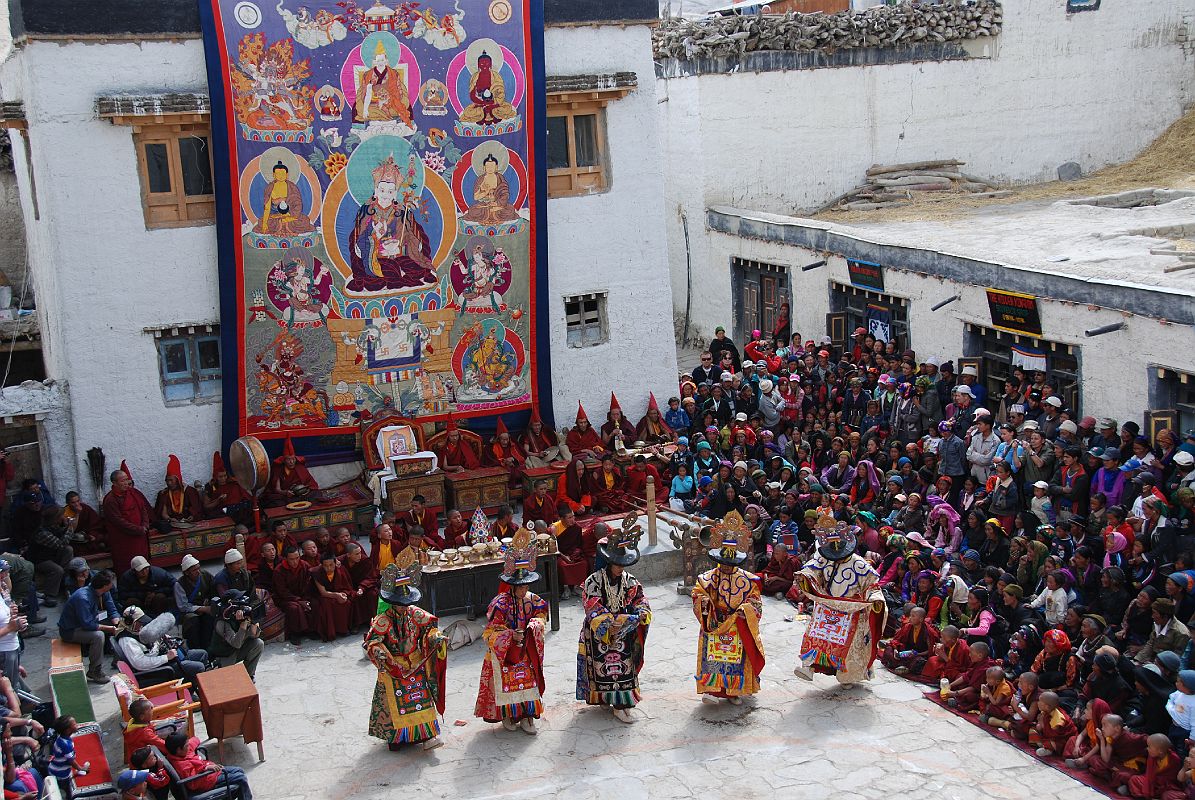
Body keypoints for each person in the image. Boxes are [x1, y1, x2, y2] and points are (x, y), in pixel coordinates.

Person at [363, 550, 447, 751]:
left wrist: (436, 638)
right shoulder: (383, 620)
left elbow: (430, 629)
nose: (404, 608)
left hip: (415, 664)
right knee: (394, 701)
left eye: (407, 604)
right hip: (393, 666)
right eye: (400, 605)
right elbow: (372, 642)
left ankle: (428, 735)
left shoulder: (415, 614)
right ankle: (397, 737)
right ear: (392, 602)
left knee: (420, 699)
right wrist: (382, 654)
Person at [794, 513, 886, 685]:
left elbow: (872, 585)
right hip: (826, 605)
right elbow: (812, 568)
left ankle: (848, 675)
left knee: (848, 646)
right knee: (815, 638)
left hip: (850, 609)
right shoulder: (824, 556)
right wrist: (806, 576)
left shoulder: (859, 564)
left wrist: (876, 599)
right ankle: (809, 667)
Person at [475, 527, 548, 735]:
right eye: (521, 587)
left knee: (529, 682)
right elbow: (490, 632)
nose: (524, 590)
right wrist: (510, 635)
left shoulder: (533, 600)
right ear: (512, 586)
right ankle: (509, 715)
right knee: (507, 684)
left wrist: (534, 626)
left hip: (527, 648)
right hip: (506, 653)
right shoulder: (500, 603)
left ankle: (528, 717)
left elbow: (542, 616)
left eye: (526, 586)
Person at [577, 520, 651, 724]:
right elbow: (591, 605)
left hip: (623, 633)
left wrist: (642, 612)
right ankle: (605, 698)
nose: (621, 568)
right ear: (609, 562)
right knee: (603, 668)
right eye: (618, 564)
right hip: (599, 632)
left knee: (622, 669)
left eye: (623, 564)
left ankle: (622, 704)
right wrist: (610, 622)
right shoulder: (594, 581)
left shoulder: (630, 581)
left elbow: (640, 599)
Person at [692, 511, 765, 705]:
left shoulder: (748, 581)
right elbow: (698, 594)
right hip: (714, 622)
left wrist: (745, 611)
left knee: (735, 661)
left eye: (729, 564)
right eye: (722, 563)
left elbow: (756, 602)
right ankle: (711, 690)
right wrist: (706, 605)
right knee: (713, 659)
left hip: (737, 624)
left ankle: (734, 691)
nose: (725, 567)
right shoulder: (706, 579)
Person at [112, 605, 207, 685]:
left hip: (164, 656)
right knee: (198, 667)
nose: (143, 624)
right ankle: (189, 692)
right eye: (139, 622)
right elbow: (139, 663)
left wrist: (160, 637)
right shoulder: (127, 640)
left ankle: (191, 686)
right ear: (130, 622)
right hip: (157, 669)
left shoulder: (137, 631)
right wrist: (166, 657)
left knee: (202, 654)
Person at [58, 570, 119, 683]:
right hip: (71, 630)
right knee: (98, 636)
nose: (113, 585)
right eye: (111, 583)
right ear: (105, 585)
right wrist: (109, 628)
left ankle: (118, 660)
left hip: (89, 621)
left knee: (118, 626)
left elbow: (112, 608)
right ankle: (95, 670)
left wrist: (117, 621)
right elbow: (88, 624)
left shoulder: (104, 591)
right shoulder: (83, 598)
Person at [164, 732, 254, 799]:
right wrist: (205, 769)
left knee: (239, 770)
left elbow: (195, 740)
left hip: (212, 773)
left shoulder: (182, 752)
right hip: (207, 782)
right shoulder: (182, 765)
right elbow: (193, 784)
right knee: (241, 778)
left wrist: (190, 741)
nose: (189, 747)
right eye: (186, 746)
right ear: (178, 750)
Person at [101, 469, 154, 575]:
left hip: (140, 537)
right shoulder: (110, 500)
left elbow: (143, 509)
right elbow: (118, 521)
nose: (126, 483)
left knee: (143, 564)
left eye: (127, 480)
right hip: (124, 539)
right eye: (122, 481)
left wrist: (145, 524)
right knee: (127, 567)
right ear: (114, 483)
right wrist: (138, 529)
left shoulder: (133, 493)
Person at [209, 589, 264, 679]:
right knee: (229, 681)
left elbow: (254, 635)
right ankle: (216, 665)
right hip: (224, 654)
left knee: (258, 643)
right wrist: (243, 624)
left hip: (237, 650)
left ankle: (249, 675)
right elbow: (236, 644)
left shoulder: (243, 614)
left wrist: (254, 620)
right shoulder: (222, 622)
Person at [172, 554, 216, 650]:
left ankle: (208, 647)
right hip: (189, 612)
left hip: (206, 607)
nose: (198, 572)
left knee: (210, 618)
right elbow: (183, 606)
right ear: (187, 572)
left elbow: (214, 588)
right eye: (194, 570)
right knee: (192, 620)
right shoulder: (179, 584)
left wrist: (209, 600)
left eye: (198, 568)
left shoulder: (205, 575)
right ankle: (195, 648)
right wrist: (201, 608)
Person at [273, 545, 314, 645]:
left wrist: (305, 598)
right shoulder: (279, 570)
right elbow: (282, 591)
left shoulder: (305, 565)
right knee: (294, 608)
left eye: (297, 558)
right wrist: (298, 600)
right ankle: (295, 633)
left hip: (303, 595)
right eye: (291, 559)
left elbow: (310, 583)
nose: (295, 562)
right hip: (285, 598)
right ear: (286, 559)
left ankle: (311, 630)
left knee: (315, 603)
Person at [262, 437, 318, 508]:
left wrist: (305, 490)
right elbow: (277, 489)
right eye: (288, 459)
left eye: (293, 459)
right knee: (274, 502)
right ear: (284, 460)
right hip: (286, 496)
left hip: (301, 494)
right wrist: (285, 492)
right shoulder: (278, 469)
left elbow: (310, 483)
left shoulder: (300, 467)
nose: (292, 462)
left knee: (316, 494)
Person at [549, 506, 591, 599]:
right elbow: (553, 548)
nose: (573, 520)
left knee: (583, 563)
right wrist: (565, 557)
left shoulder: (577, 528)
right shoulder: (554, 528)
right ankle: (566, 588)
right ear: (561, 519)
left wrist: (575, 553)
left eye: (573, 517)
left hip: (572, 553)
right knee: (562, 565)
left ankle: (577, 587)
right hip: (559, 554)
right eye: (569, 518)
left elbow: (579, 544)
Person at [311, 551, 352, 642]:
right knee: (327, 604)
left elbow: (346, 586)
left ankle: (342, 629)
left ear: (335, 563)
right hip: (322, 596)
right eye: (325, 566)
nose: (329, 568)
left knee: (346, 603)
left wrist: (343, 594)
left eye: (331, 565)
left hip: (336, 593)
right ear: (321, 565)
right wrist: (336, 595)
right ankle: (330, 632)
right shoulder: (317, 573)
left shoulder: (340, 570)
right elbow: (323, 592)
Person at [203, 452, 252, 525]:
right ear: (215, 477)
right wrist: (218, 500)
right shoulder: (210, 487)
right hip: (221, 511)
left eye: (225, 476)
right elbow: (206, 506)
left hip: (236, 509)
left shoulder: (233, 483)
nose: (223, 479)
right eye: (220, 477)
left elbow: (245, 497)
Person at [153, 455, 204, 523]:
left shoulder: (189, 491)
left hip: (188, 522)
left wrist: (192, 516)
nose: (169, 483)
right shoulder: (164, 494)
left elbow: (196, 510)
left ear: (178, 480)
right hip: (172, 522)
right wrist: (170, 519)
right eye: (167, 480)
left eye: (171, 480)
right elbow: (163, 513)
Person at [47, 715, 88, 799]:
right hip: (60, 773)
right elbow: (71, 761)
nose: (77, 725)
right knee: (67, 791)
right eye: (75, 724)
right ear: (68, 730)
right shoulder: (66, 744)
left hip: (55, 768)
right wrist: (81, 768)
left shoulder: (62, 738)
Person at [342, 542, 379, 631]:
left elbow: (371, 577)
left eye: (360, 553)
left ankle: (373, 620)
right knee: (352, 597)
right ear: (348, 555)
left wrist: (362, 587)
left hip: (365, 586)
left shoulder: (365, 561)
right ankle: (356, 624)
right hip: (348, 587)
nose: (360, 556)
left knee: (372, 594)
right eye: (357, 554)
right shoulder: (341, 562)